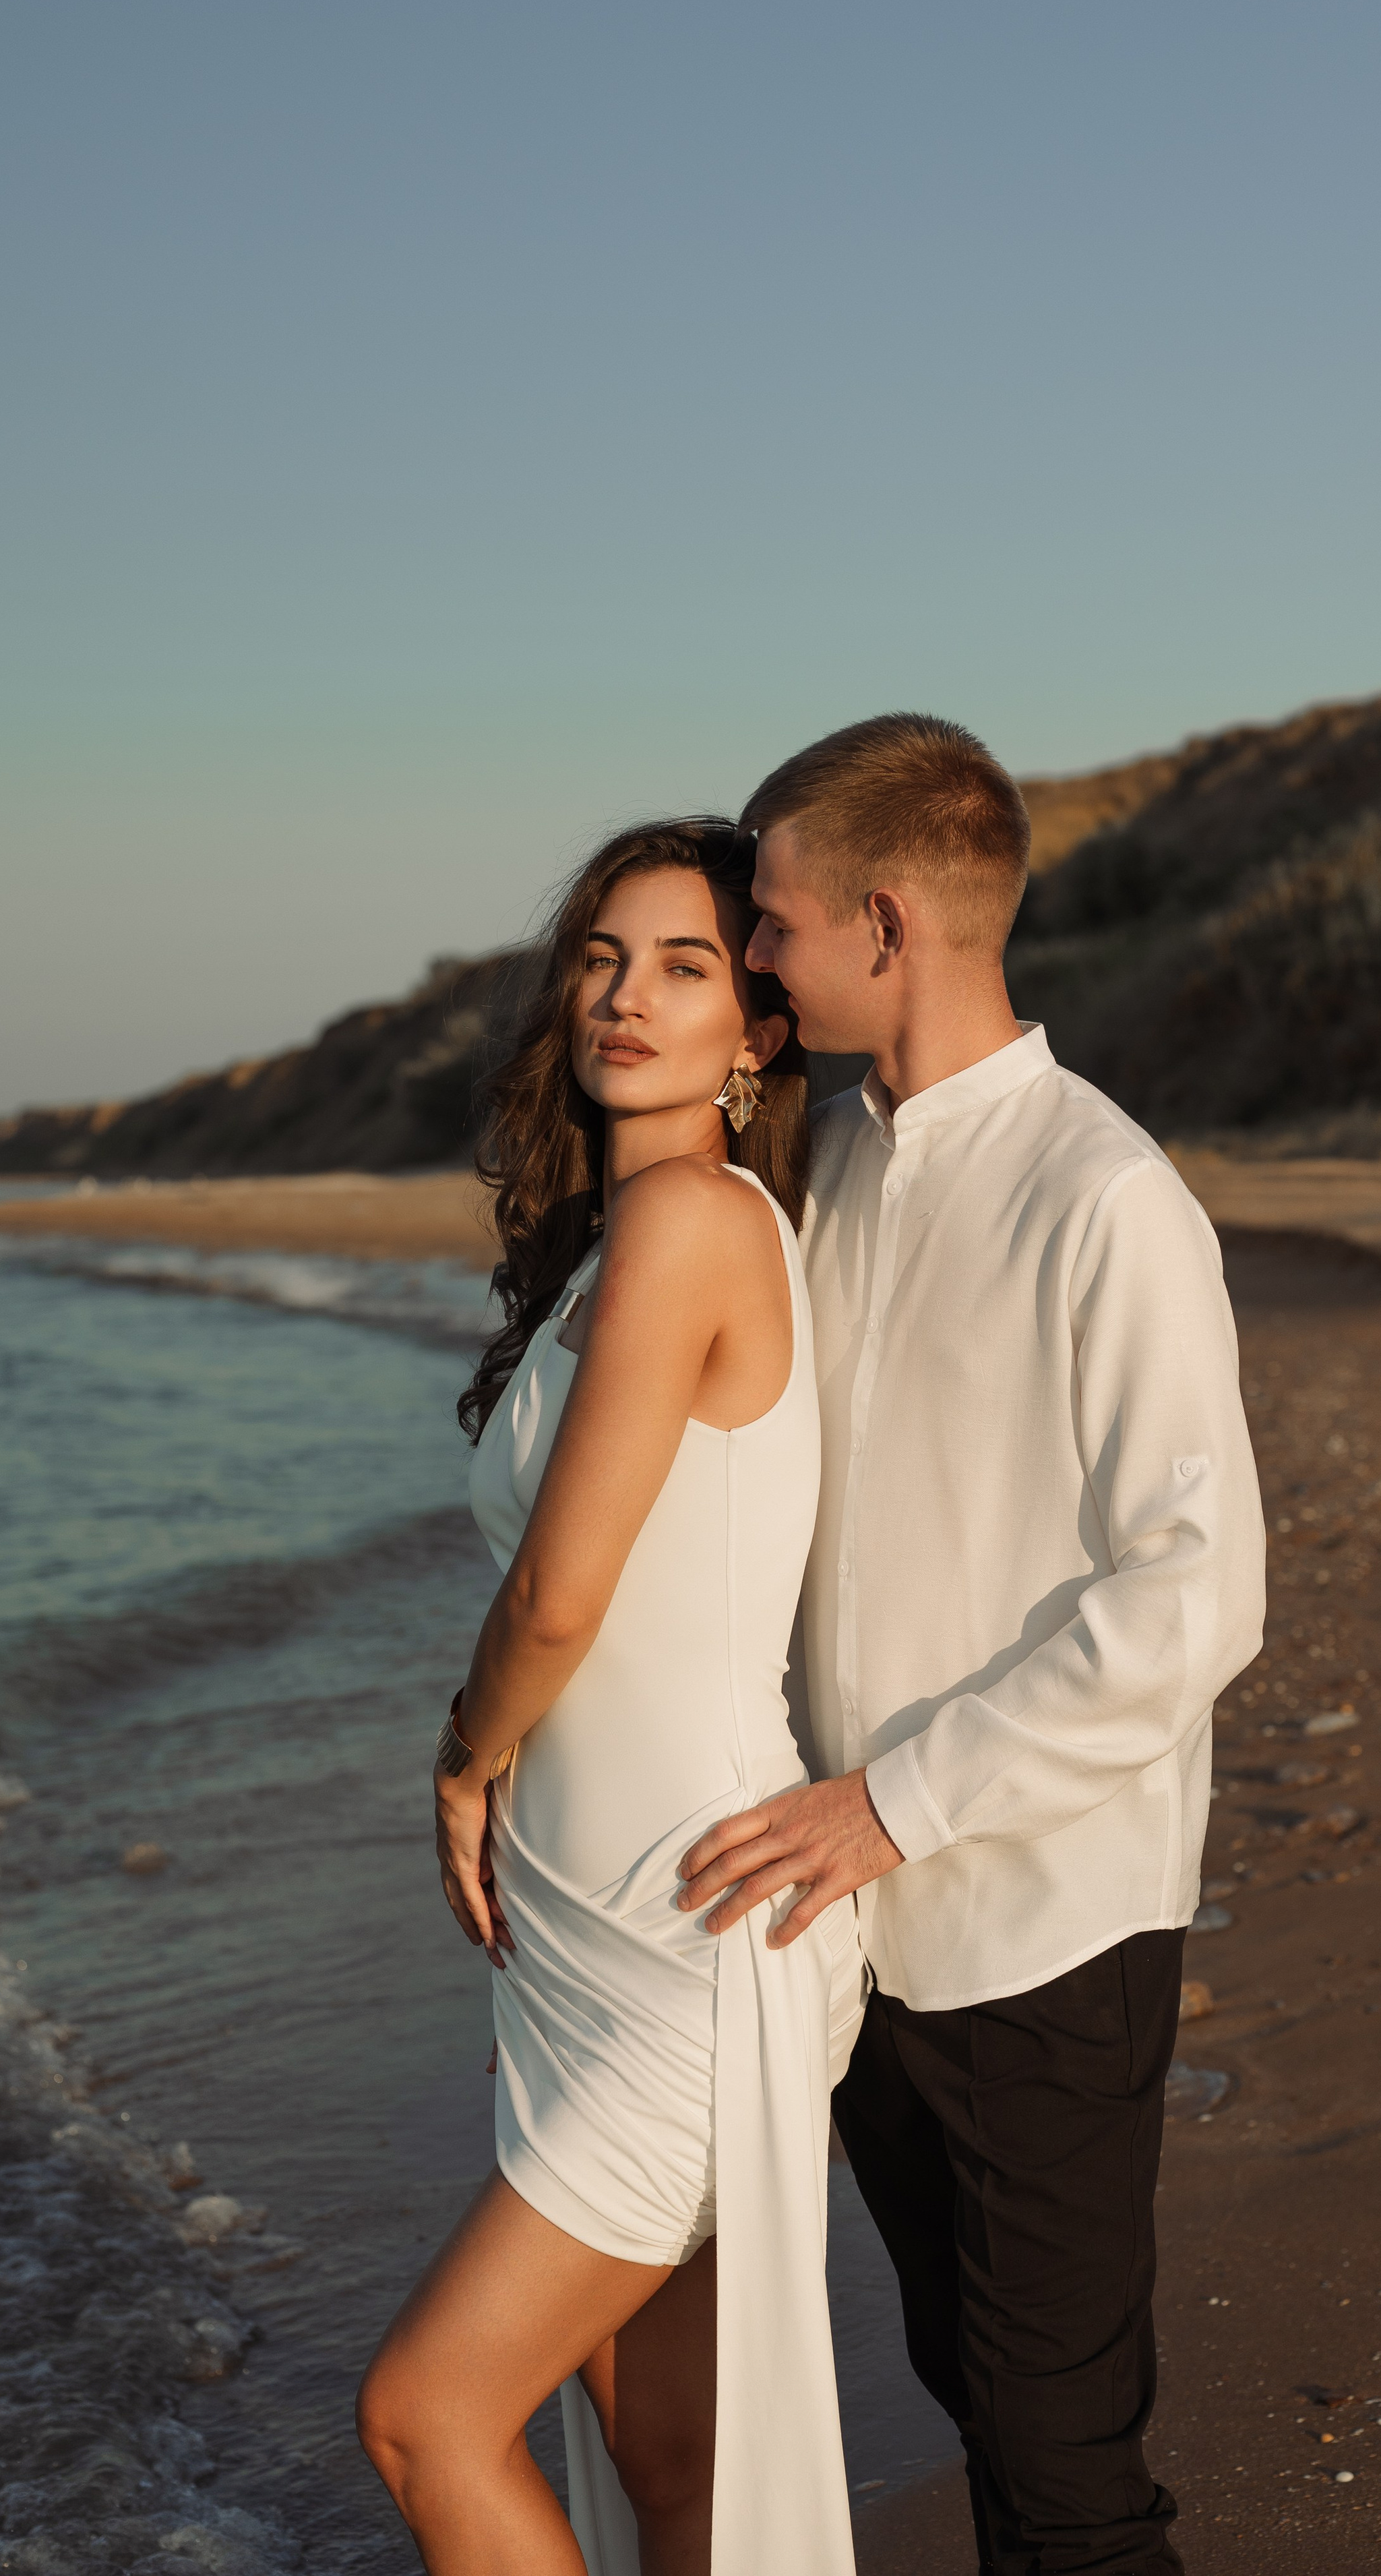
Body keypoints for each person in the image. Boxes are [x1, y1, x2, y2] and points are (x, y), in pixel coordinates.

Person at [677, 716, 1267, 2575]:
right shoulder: (826, 1174)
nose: (755, 959)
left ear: (883, 918)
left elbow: (1196, 1590)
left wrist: (898, 1801)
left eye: (768, 924)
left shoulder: (1106, 1198)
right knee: (977, 2399)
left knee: (1068, 2467)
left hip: (1043, 1921)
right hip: (860, 1936)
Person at [357, 818, 867, 2576]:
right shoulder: (620, 1239)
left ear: (764, 1031)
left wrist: (459, 1757)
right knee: (675, 2473)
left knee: (425, 2420)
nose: (626, 998)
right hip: (597, 1932)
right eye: (602, 957)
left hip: (693, 1936)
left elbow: (561, 1593)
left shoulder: (694, 1224)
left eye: (687, 965)